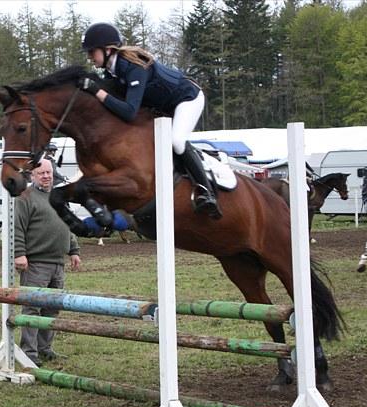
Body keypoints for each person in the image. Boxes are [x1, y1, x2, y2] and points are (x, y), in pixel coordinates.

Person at [79, 22, 221, 219]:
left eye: (92, 51)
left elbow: (129, 112)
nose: (89, 56)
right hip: (163, 108)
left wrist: (97, 91)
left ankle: (207, 192)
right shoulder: (113, 71)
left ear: (108, 49)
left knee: (176, 141)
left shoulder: (134, 67)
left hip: (187, 98)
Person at [15, 158, 82, 366]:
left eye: (48, 172)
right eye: (41, 173)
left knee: (52, 309)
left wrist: (74, 250)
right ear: (32, 175)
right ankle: (29, 352)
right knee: (32, 308)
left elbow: (68, 223)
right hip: (35, 263)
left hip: (57, 263)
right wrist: (19, 253)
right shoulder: (24, 197)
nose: (46, 176)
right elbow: (17, 227)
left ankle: (45, 348)